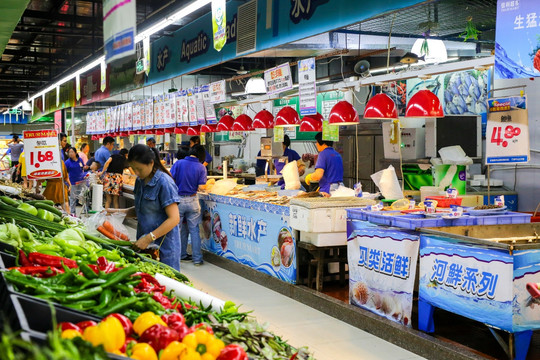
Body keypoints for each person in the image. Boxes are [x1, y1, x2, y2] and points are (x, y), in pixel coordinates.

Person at [107, 145, 181, 271]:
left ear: (151, 163)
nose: (136, 173)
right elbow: (140, 210)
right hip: (145, 245)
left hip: (163, 248)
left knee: (166, 284)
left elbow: (174, 219)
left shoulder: (164, 183)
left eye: (139, 169)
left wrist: (149, 238)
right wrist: (113, 212)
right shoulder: (140, 181)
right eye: (133, 169)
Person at [170, 145, 207, 266]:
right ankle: (197, 259)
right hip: (193, 200)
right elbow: (202, 187)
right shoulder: (201, 167)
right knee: (194, 230)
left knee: (178, 230)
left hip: (178, 200)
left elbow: (170, 179)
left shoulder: (179, 163)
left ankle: (180, 255)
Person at [64, 147, 86, 216]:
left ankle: (85, 210)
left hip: (81, 181)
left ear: (76, 153)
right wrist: (68, 184)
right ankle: (73, 213)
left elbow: (82, 168)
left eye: (72, 152)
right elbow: (65, 173)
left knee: (83, 196)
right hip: (72, 182)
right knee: (73, 198)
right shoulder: (67, 162)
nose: (70, 154)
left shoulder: (80, 160)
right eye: (69, 152)